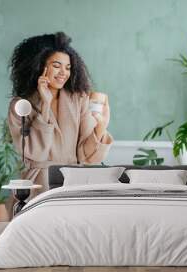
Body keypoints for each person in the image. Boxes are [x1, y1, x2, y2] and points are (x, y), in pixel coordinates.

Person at [7, 32, 113, 198]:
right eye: (57, 65)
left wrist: (101, 126)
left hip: (72, 182)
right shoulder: (21, 105)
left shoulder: (79, 100)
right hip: (37, 185)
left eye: (68, 67)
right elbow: (35, 153)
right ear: (39, 66)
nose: (64, 72)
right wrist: (45, 104)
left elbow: (87, 156)